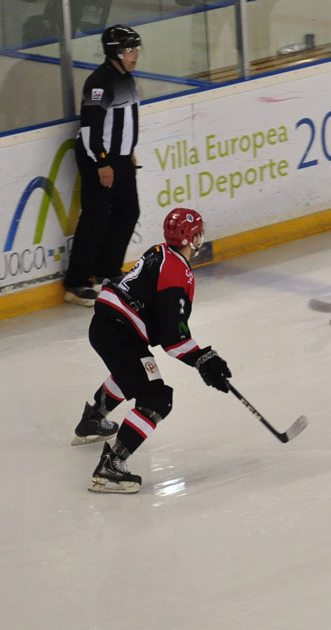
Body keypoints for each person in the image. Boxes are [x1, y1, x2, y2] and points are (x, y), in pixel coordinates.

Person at [73, 207, 233, 493]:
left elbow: (160, 327)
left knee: (133, 372)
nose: (199, 238)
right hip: (120, 334)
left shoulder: (157, 251)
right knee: (157, 399)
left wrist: (200, 358)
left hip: (105, 326)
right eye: (197, 234)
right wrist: (204, 360)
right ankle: (112, 466)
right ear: (191, 237)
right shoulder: (177, 272)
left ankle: (93, 420)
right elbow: (172, 339)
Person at [63, 24, 143, 307]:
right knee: (96, 217)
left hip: (119, 158)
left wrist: (128, 152)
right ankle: (76, 282)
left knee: (129, 211)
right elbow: (90, 128)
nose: (135, 54)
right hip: (97, 158)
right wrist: (102, 162)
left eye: (136, 49)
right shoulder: (100, 82)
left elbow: (123, 121)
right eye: (129, 49)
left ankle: (107, 272)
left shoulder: (127, 78)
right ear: (115, 52)